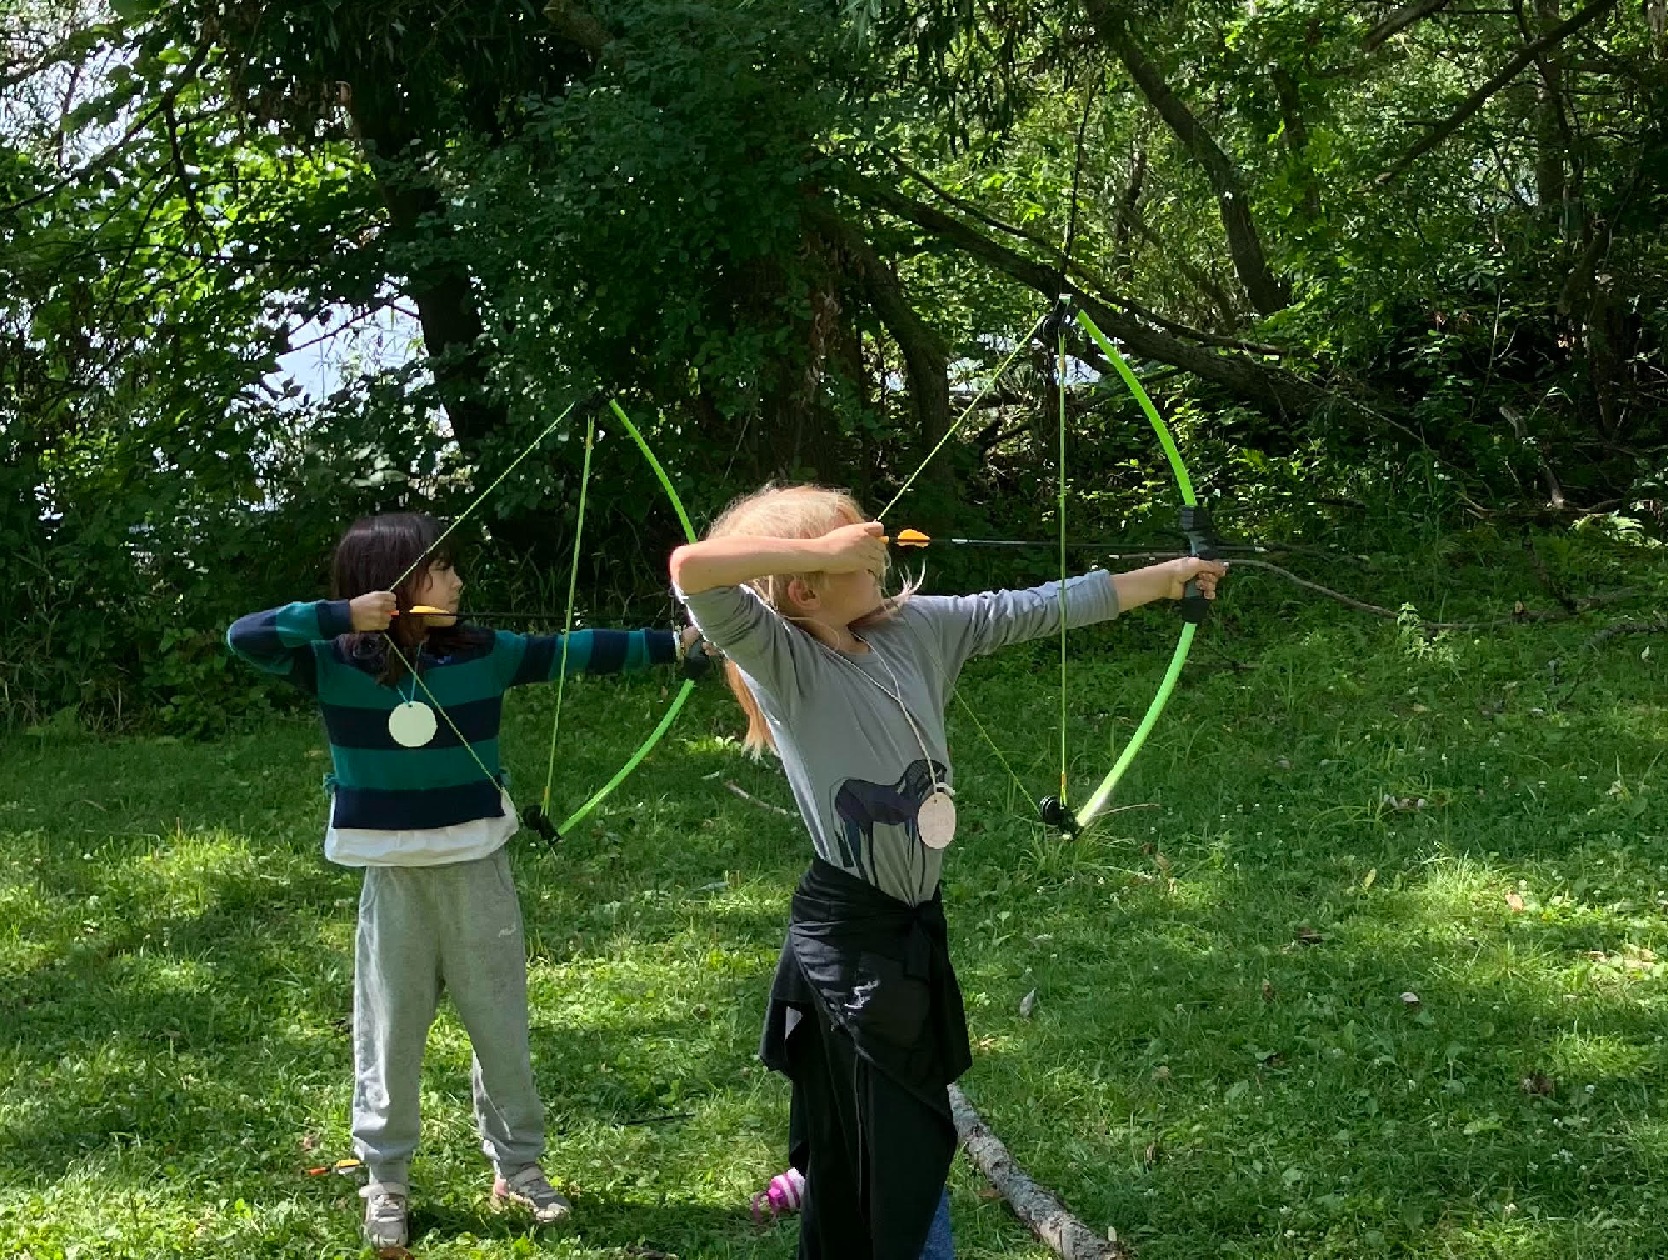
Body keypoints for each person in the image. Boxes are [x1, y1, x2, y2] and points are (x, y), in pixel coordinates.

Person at [670, 484, 1226, 1259]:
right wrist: (817, 549)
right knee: (902, 1139)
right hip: (850, 937)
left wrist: (1162, 580)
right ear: (804, 588)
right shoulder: (785, 662)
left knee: (889, 1130)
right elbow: (692, 569)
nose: (879, 552)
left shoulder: (913, 630)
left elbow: (1034, 606)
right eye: (857, 549)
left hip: (909, 926)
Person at [227, 512, 692, 1251]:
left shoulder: (484, 652)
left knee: (499, 1027)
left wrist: (677, 644)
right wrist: (342, 616)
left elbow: (572, 650)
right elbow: (245, 636)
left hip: (478, 871)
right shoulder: (330, 661)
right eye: (441, 569)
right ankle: (386, 1178)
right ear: (391, 584)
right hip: (395, 882)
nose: (458, 582)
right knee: (390, 1033)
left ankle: (519, 1167)